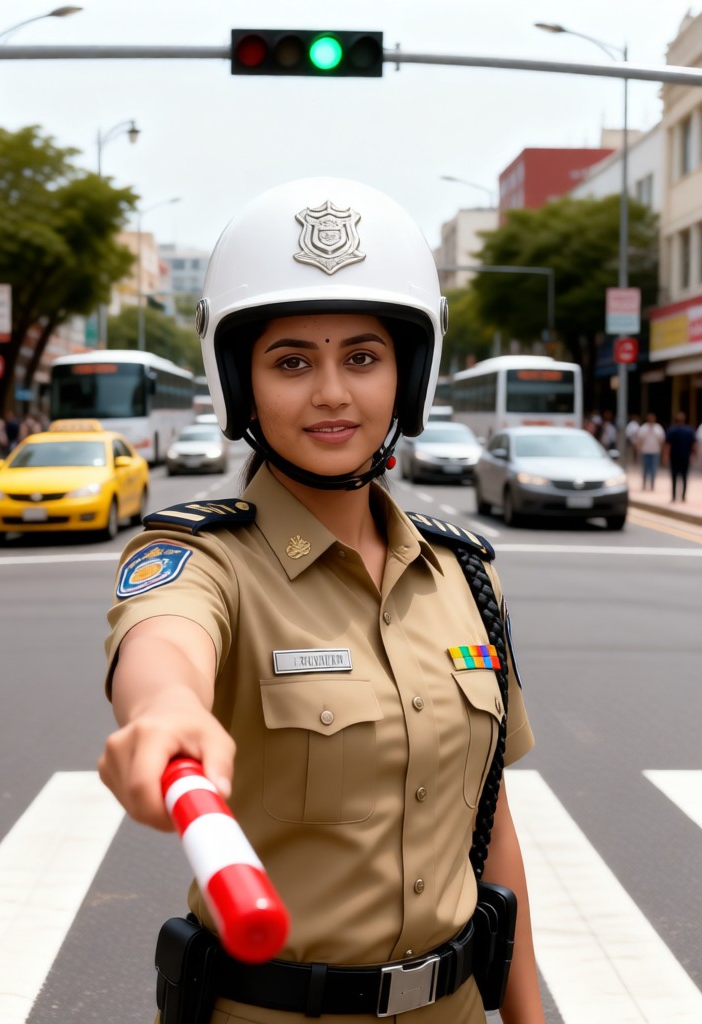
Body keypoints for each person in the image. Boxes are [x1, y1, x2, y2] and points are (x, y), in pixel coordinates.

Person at [98, 178, 545, 1024]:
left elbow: (492, 827)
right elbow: (165, 643)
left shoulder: (468, 576)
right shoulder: (202, 557)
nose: (333, 392)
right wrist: (162, 713)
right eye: (292, 360)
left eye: (364, 357)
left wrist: (526, 1016)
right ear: (243, 381)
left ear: (408, 374)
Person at [663, 411, 697, 502]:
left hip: (674, 457)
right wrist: (694, 455)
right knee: (684, 476)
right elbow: (694, 445)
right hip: (685, 456)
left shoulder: (672, 430)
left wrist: (665, 457)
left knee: (674, 477)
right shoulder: (689, 430)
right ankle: (683, 496)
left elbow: (667, 445)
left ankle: (674, 496)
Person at [635, 412, 665, 491]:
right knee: (645, 469)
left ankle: (652, 485)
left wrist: (663, 453)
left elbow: (662, 441)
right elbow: (640, 440)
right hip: (645, 452)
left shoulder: (658, 428)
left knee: (653, 469)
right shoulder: (643, 428)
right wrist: (638, 452)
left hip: (655, 452)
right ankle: (644, 484)